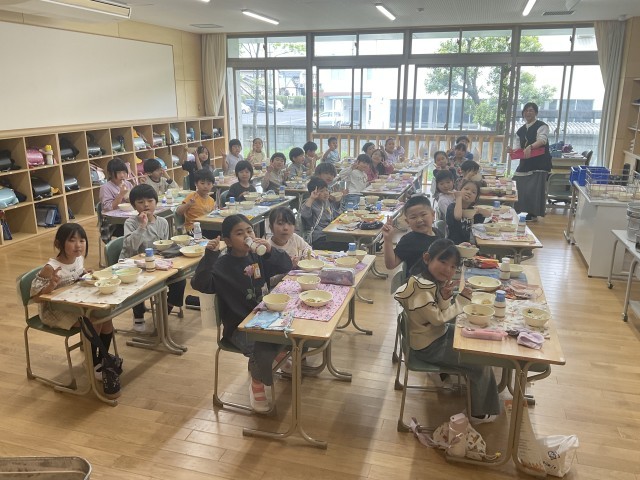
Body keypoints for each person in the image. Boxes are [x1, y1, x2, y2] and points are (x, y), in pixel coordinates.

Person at [190, 215, 293, 412]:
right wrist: (210, 256)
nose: (247, 236)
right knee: (261, 347)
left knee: (293, 330)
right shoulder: (222, 265)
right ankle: (257, 384)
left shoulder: (256, 256)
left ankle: (275, 358)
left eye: (249, 231)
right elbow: (200, 284)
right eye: (239, 233)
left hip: (265, 317)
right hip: (238, 326)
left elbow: (286, 266)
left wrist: (270, 251)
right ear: (228, 241)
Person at [393, 239, 500, 424]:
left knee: (473, 341)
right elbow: (439, 319)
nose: (447, 269)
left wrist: (444, 297)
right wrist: (461, 301)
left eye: (452, 266)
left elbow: (436, 313)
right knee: (479, 361)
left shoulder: (425, 280)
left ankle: (480, 397)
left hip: (433, 336)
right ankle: (478, 413)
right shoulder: (422, 289)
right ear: (427, 258)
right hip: (428, 347)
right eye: (443, 262)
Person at [30, 223, 118, 393]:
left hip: (74, 303)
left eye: (82, 240)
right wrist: (51, 285)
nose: (78, 245)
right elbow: (35, 297)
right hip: (55, 311)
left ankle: (101, 360)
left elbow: (76, 276)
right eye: (72, 240)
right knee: (94, 321)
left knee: (106, 318)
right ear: (59, 244)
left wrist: (84, 274)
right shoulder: (51, 267)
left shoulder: (78, 259)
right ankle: (91, 362)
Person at [120, 184, 186, 332]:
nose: (146, 205)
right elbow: (131, 247)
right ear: (134, 206)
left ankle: (165, 312)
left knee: (180, 280)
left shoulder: (162, 222)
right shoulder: (131, 223)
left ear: (156, 202)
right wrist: (142, 226)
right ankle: (138, 315)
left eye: (150, 201)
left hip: (157, 263)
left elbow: (165, 246)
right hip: (134, 265)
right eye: (140, 202)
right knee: (138, 283)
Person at [508, 102, 552, 222]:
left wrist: (530, 146)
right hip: (525, 162)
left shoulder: (542, 126)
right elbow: (518, 147)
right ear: (523, 113)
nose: (528, 113)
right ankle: (518, 210)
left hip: (539, 163)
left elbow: (542, 140)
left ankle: (532, 214)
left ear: (536, 113)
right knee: (517, 183)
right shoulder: (520, 130)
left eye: (531, 110)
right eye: (526, 111)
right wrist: (512, 150)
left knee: (534, 189)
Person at [382, 195, 443, 272]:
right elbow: (391, 264)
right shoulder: (409, 240)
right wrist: (387, 239)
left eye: (423, 215)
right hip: (418, 279)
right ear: (407, 222)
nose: (419, 220)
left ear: (433, 215)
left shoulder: (438, 233)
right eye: (413, 217)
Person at [300, 177, 345, 251]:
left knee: (347, 240)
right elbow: (305, 215)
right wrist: (311, 198)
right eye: (321, 191)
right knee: (346, 245)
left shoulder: (325, 202)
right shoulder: (311, 203)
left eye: (326, 190)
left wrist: (337, 201)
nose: (326, 193)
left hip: (329, 234)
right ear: (313, 192)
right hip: (318, 238)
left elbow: (336, 216)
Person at [100, 157, 134, 237]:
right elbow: (108, 208)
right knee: (133, 229)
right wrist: (121, 195)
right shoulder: (105, 187)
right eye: (118, 173)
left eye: (124, 172)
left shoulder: (128, 184)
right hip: (113, 222)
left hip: (128, 218)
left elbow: (134, 201)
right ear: (110, 174)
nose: (122, 175)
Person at [176, 168, 215, 234]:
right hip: (192, 228)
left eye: (208, 184)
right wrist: (188, 204)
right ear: (196, 184)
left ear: (212, 185)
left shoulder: (211, 200)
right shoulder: (192, 196)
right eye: (202, 183)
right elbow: (178, 212)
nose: (205, 186)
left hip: (206, 226)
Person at [446, 180, 485, 244]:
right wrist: (458, 198)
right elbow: (458, 216)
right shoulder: (452, 207)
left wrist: (479, 210)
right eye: (466, 189)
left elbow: (487, 214)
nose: (469, 192)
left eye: (473, 192)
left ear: (475, 199)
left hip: (468, 244)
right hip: (454, 245)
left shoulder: (472, 210)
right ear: (459, 191)